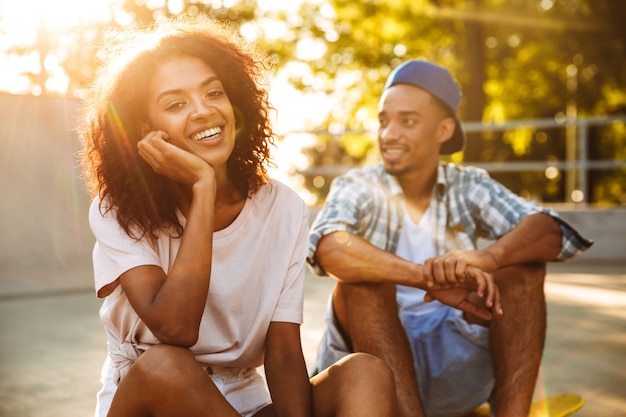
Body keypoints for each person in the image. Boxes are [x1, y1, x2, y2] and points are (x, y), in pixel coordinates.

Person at [78, 17, 396, 417]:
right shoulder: (117, 211)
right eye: (176, 104)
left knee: (364, 373)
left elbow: (282, 352)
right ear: (145, 130)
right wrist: (202, 187)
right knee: (167, 365)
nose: (203, 111)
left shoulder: (283, 208)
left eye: (214, 93)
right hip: (153, 397)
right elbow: (175, 329)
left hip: (242, 399)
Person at [307, 59, 593, 417]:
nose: (388, 134)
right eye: (384, 120)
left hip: (454, 366)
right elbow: (330, 246)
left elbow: (550, 230)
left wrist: (490, 258)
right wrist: (426, 276)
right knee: (362, 285)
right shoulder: (358, 186)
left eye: (407, 121)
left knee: (523, 269)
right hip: (377, 375)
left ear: (443, 130)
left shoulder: (468, 185)